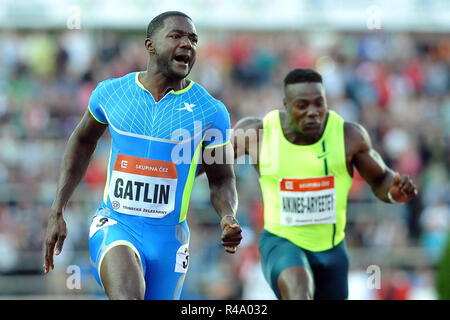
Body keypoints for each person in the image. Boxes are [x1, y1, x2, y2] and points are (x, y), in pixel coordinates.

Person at [43, 11, 242, 300]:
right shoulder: (112, 93)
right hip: (116, 225)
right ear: (150, 45)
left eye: (193, 39)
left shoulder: (210, 111)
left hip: (169, 241)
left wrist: (228, 216)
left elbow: (221, 179)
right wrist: (57, 210)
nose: (188, 44)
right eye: (177, 36)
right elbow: (82, 141)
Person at [231, 68, 418, 300]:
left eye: (320, 104)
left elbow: (381, 179)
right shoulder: (258, 133)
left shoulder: (348, 137)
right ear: (286, 105)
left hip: (331, 251)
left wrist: (393, 192)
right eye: (303, 105)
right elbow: (208, 162)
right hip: (282, 243)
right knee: (299, 290)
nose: (313, 113)